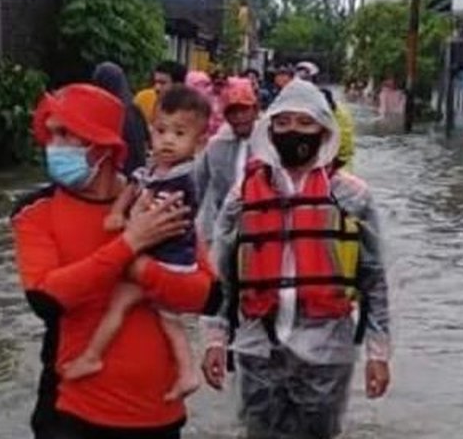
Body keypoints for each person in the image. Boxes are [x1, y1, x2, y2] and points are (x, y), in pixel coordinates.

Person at [12, 84, 220, 439]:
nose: (53, 146)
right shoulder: (35, 212)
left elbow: (208, 296)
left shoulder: (160, 199)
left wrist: (143, 270)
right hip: (73, 411)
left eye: (66, 135)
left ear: (103, 145)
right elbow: (47, 299)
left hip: (158, 411)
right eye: (50, 135)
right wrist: (130, 243)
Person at [202, 80, 392, 439]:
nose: (293, 131)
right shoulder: (243, 195)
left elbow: (374, 280)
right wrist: (214, 339)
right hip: (258, 345)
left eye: (305, 123)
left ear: (324, 130)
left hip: (327, 350)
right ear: (269, 129)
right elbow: (221, 276)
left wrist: (378, 354)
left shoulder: (352, 195)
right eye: (283, 122)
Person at [60, 85, 212, 401]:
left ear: (199, 142)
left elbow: (158, 222)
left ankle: (92, 356)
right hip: (166, 261)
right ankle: (186, 373)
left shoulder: (181, 180)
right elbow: (135, 185)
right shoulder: (156, 170)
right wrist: (119, 212)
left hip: (169, 261)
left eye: (179, 133)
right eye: (161, 131)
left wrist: (128, 227)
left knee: (122, 301)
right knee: (168, 318)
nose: (167, 140)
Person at [193, 77, 259, 242]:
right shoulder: (216, 145)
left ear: (255, 110)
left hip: (258, 224)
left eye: (244, 110)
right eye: (233, 112)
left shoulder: (269, 141)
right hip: (221, 226)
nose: (239, 117)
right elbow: (198, 183)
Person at [92, 62, 151, 176]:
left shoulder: (106, 110)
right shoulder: (133, 108)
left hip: (116, 172)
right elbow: (146, 139)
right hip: (137, 171)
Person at [134, 60, 187, 125]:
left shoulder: (187, 106)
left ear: (178, 85)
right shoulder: (143, 98)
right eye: (155, 82)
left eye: (163, 83)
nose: (157, 88)